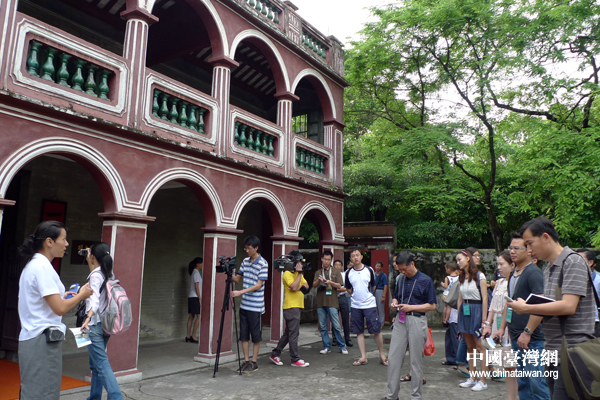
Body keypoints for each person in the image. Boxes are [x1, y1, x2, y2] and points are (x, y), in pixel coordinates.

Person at [510, 217, 595, 399]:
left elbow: (568, 306)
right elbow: (549, 305)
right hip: (553, 350)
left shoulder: (573, 262)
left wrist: (526, 308)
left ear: (546, 237)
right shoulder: (549, 268)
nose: (529, 250)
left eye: (530, 243)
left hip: (572, 351)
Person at [17, 221, 93, 400]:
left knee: (34, 390)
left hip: (33, 337)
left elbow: (42, 300)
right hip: (42, 340)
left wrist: (65, 295)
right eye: (63, 239)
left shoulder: (34, 265)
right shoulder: (42, 268)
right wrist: (81, 296)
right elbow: (59, 308)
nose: (66, 244)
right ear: (49, 242)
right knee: (45, 392)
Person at [494, 232, 550, 400]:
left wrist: (527, 332)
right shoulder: (514, 273)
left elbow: (540, 306)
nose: (512, 251)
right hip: (516, 336)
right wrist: (502, 328)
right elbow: (509, 303)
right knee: (523, 382)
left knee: (537, 383)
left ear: (529, 250)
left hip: (532, 339)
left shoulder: (533, 273)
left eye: (517, 248)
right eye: (511, 248)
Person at [383, 252, 436, 400]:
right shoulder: (400, 279)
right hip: (400, 320)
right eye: (399, 269)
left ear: (412, 264)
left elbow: (432, 306)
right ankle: (392, 395)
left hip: (417, 320)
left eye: (404, 269)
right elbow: (396, 296)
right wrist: (394, 302)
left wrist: (411, 307)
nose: (402, 272)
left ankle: (415, 396)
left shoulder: (426, 280)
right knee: (393, 358)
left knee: (415, 361)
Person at [80, 242, 124, 400]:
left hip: (93, 326)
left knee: (102, 365)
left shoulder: (96, 275)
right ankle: (94, 397)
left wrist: (87, 318)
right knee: (95, 365)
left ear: (93, 256)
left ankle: (117, 398)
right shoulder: (108, 273)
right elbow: (97, 282)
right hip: (105, 325)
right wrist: (90, 261)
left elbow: (94, 300)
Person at [482, 251, 517, 400]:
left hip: (509, 325)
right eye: (498, 264)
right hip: (497, 325)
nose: (499, 268)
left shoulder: (515, 283)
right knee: (506, 365)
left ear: (512, 265)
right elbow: (492, 306)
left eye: (502, 264)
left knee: (512, 365)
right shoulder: (500, 283)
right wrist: (488, 324)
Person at [231, 236, 269, 373]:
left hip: (256, 306)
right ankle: (246, 361)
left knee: (256, 336)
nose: (247, 251)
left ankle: (254, 362)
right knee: (244, 335)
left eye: (249, 248)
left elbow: (259, 285)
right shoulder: (245, 261)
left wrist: (240, 292)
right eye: (245, 248)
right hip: (244, 305)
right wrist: (229, 271)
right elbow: (237, 279)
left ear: (256, 248)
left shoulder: (263, 263)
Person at [345, 249, 388, 366]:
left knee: (376, 330)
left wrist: (368, 295)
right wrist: (354, 295)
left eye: (357, 255)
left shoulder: (369, 270)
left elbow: (373, 285)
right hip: (355, 305)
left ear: (361, 256)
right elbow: (348, 287)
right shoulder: (349, 273)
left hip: (369, 304)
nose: (355, 257)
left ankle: (382, 354)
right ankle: (363, 356)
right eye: (353, 256)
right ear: (350, 258)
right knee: (359, 331)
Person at [456, 249, 489, 391]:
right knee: (469, 346)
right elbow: (460, 298)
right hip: (465, 311)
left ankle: (483, 381)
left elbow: (485, 298)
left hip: (477, 311)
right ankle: (472, 377)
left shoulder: (480, 276)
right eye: (457, 260)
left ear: (468, 258)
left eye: (459, 259)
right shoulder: (462, 277)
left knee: (480, 347)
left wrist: (484, 320)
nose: (458, 263)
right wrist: (459, 317)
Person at [269, 254, 310, 367]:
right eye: (299, 263)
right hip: (291, 307)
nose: (300, 265)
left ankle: (275, 354)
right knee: (293, 334)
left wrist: (297, 285)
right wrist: (298, 281)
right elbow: (294, 287)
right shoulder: (287, 273)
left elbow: (306, 286)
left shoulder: (297, 274)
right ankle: (295, 359)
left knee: (288, 334)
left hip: (296, 306)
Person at [313, 250, 348, 354]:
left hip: (332, 302)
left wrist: (330, 282)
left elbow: (340, 285)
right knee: (323, 327)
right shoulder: (318, 272)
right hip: (321, 302)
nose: (326, 261)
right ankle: (326, 346)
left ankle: (342, 346)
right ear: (321, 259)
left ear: (331, 260)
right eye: (325, 259)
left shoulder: (336, 272)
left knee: (336, 325)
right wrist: (319, 280)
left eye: (328, 260)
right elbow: (314, 285)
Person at [442, 261, 460, 366]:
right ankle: (451, 358)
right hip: (452, 313)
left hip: (455, 314)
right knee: (450, 337)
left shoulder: (458, 280)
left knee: (455, 338)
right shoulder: (458, 280)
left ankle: (458, 360)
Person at [578, 249, 600, 337]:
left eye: (579, 259)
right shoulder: (573, 277)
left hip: (594, 321)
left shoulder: (598, 279)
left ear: (590, 262)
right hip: (576, 321)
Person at [333, 259, 352, 347]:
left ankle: (347, 339)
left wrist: (337, 288)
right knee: (334, 319)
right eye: (336, 265)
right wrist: (340, 288)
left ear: (341, 267)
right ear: (333, 266)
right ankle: (335, 339)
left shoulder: (345, 275)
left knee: (345, 319)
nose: (337, 266)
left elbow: (347, 288)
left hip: (343, 297)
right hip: (333, 298)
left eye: (339, 265)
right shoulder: (331, 275)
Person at [186, 257, 203, 343]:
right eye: (202, 263)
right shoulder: (196, 273)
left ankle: (188, 336)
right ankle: (193, 336)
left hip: (191, 297)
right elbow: (197, 286)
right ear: (197, 264)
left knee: (191, 316)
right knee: (199, 316)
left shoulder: (194, 272)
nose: (203, 265)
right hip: (195, 297)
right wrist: (200, 298)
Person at [373, 261, 389, 329]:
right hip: (374, 291)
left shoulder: (383, 275)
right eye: (377, 266)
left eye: (379, 266)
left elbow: (385, 286)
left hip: (380, 291)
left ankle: (381, 324)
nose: (377, 267)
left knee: (381, 309)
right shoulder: (373, 274)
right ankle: (374, 323)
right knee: (374, 308)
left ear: (382, 267)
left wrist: (383, 295)